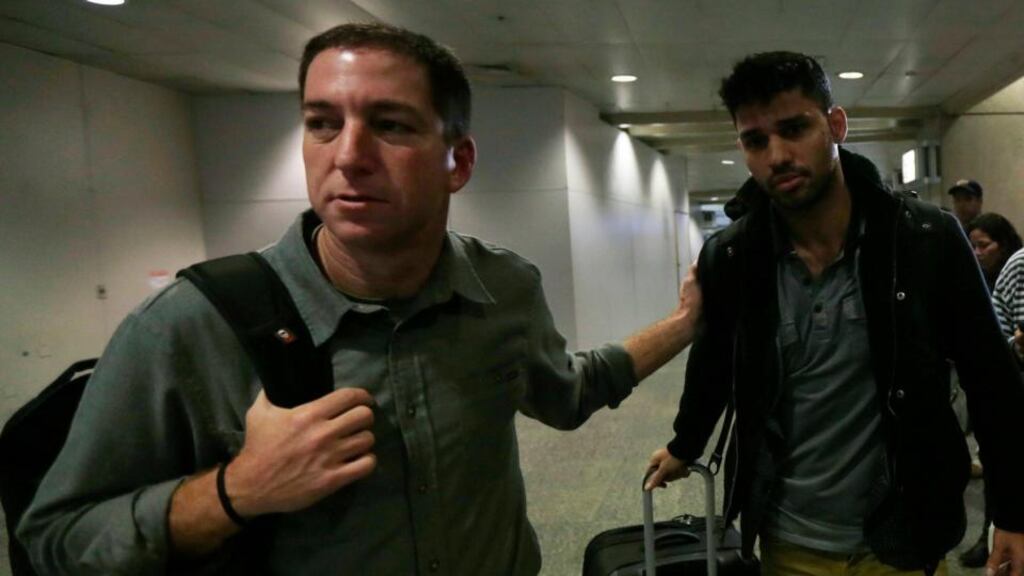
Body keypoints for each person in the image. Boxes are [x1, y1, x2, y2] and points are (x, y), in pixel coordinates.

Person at [17, 23, 702, 575]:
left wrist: (686, 321)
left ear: (458, 162)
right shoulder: (189, 327)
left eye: (391, 125)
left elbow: (568, 394)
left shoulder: (504, 288)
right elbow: (56, 539)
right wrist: (237, 491)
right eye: (322, 123)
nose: (348, 155)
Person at [645, 51, 1024, 576]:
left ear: (836, 125)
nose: (777, 155)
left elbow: (992, 382)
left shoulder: (923, 238)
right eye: (755, 141)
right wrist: (685, 443)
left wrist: (1013, 513)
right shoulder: (733, 257)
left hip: (902, 532)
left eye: (794, 128)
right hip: (788, 537)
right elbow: (713, 363)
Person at [957, 212, 1023, 567]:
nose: (978, 253)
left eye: (984, 245)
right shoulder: (1016, 269)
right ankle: (992, 535)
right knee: (1004, 468)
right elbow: (993, 344)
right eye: (974, 246)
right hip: (1012, 392)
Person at [966, 212, 1023, 290]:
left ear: (1003, 245)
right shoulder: (973, 277)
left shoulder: (1018, 274)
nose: (976, 253)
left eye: (984, 245)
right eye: (972, 247)